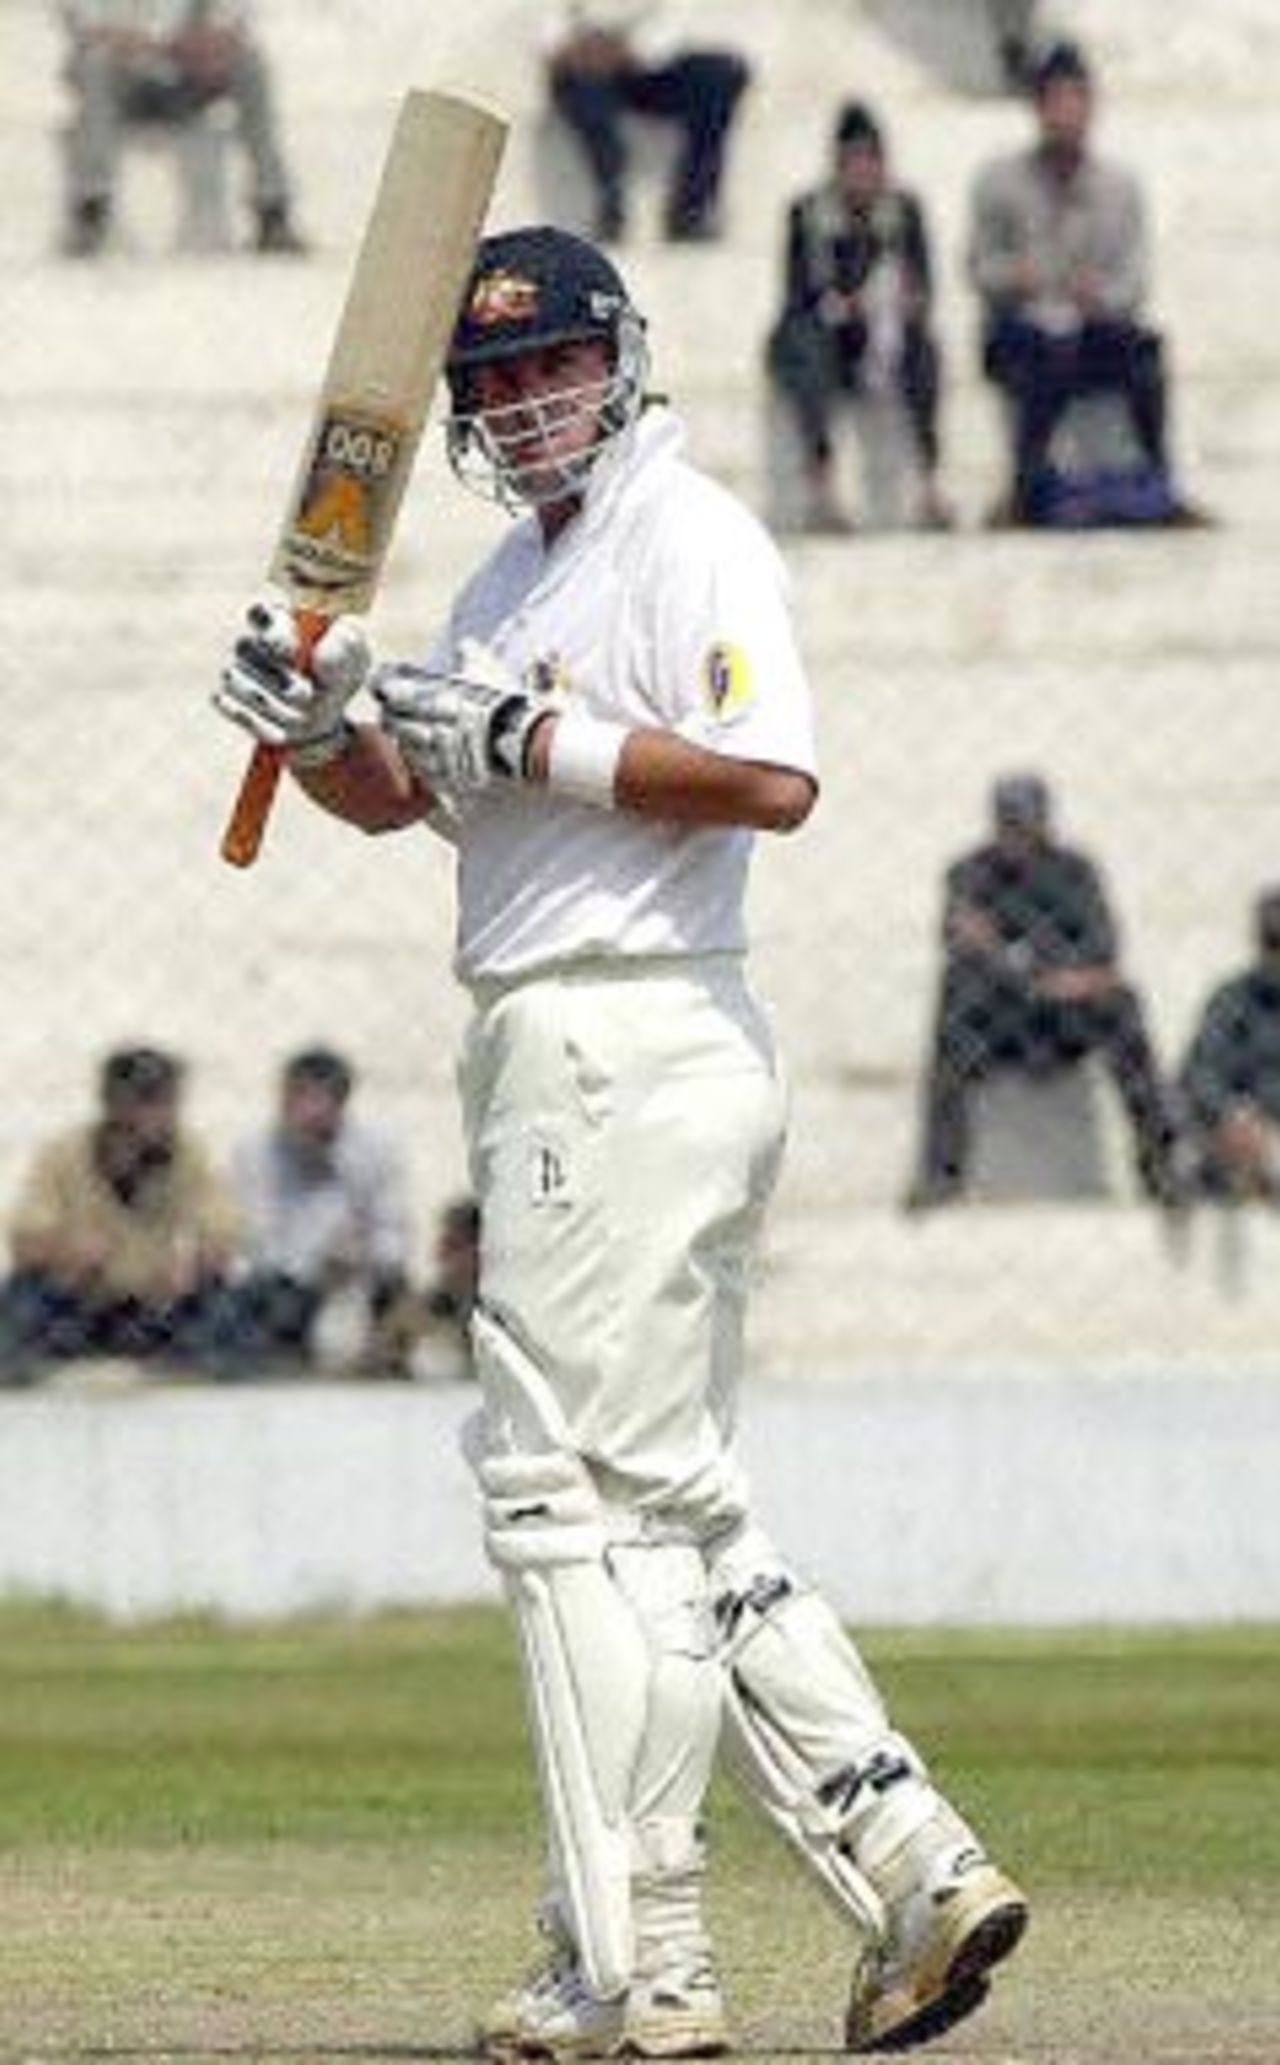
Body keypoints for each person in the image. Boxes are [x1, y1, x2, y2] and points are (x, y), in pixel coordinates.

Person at [213, 223, 1027, 2057]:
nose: (524, 402)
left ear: (622, 364)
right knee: (674, 1502)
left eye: (549, 368)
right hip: (565, 1036)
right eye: (491, 385)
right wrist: (330, 719)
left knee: (568, 1510)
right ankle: (913, 1857)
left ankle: (634, 1957)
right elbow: (421, 797)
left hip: (631, 1034)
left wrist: (537, 740)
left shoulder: (692, 533)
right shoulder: (509, 578)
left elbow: (771, 778)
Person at [905, 773, 1183, 1212]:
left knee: (1123, 1005)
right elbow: (963, 948)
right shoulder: (969, 871)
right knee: (956, 996)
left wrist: (1015, 955)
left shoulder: (1076, 870)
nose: (1020, 838)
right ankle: (940, 1173)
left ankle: (1160, 1165)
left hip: (1065, 1021)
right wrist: (1047, 969)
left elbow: (1103, 949)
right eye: (1011, 827)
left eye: (1027, 826)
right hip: (999, 1022)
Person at [967, 39, 1198, 526]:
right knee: (1039, 354)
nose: (1065, 114)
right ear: (1038, 109)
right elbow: (979, 268)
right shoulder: (1000, 182)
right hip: (1025, 328)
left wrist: (1100, 297)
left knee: (1145, 353)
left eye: (1075, 100)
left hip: (1093, 326)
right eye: (1055, 101)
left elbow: (1134, 281)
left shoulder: (1119, 187)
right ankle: (1025, 490)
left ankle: (1159, 481)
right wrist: (1017, 278)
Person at [0, 1046, 244, 1384]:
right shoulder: (65, 1153)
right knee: (22, 1294)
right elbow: (24, 1240)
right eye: (149, 1102)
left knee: (223, 1301)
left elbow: (222, 1232)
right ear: (115, 1106)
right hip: (83, 1298)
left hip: (156, 1303)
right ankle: (27, 1376)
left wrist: (195, 1260)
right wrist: (65, 1253)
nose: (165, 1115)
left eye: (168, 1101)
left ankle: (196, 1377)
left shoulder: (189, 1154)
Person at [766, 99, 950, 534]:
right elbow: (797, 296)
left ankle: (931, 486)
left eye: (872, 161)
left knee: (925, 351)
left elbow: (923, 286)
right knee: (807, 349)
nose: (864, 173)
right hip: (823, 335)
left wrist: (897, 304)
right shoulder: (809, 213)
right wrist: (844, 306)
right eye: (854, 162)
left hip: (882, 335)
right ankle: (822, 489)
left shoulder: (903, 212)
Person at [60, 0, 307, 257]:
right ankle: (91, 209)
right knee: (95, 65)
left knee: (250, 65)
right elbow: (81, 18)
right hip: (123, 72)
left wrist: (214, 40)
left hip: (191, 71)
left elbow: (236, 14)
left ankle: (272, 209)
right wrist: (131, 42)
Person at [228, 1046, 414, 1374]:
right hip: (286, 1286)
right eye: (294, 1098)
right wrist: (314, 1266)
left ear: (340, 1103)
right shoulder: (256, 1153)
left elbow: (393, 1235)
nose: (301, 1112)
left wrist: (362, 1258)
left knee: (395, 1290)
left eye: (314, 1099)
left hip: (358, 1277)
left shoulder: (376, 1151)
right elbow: (257, 1241)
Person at [541, 3, 750, 243]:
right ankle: (611, 206)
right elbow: (541, 21)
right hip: (581, 68)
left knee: (721, 77)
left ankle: (691, 210)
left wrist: (631, 50)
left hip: (647, 65)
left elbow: (681, 20)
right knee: (585, 93)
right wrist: (573, 50)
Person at [1179, 888, 1280, 1202]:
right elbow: (1199, 1072)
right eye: (1273, 943)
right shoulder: (1234, 999)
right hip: (1251, 1128)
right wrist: (1233, 1114)